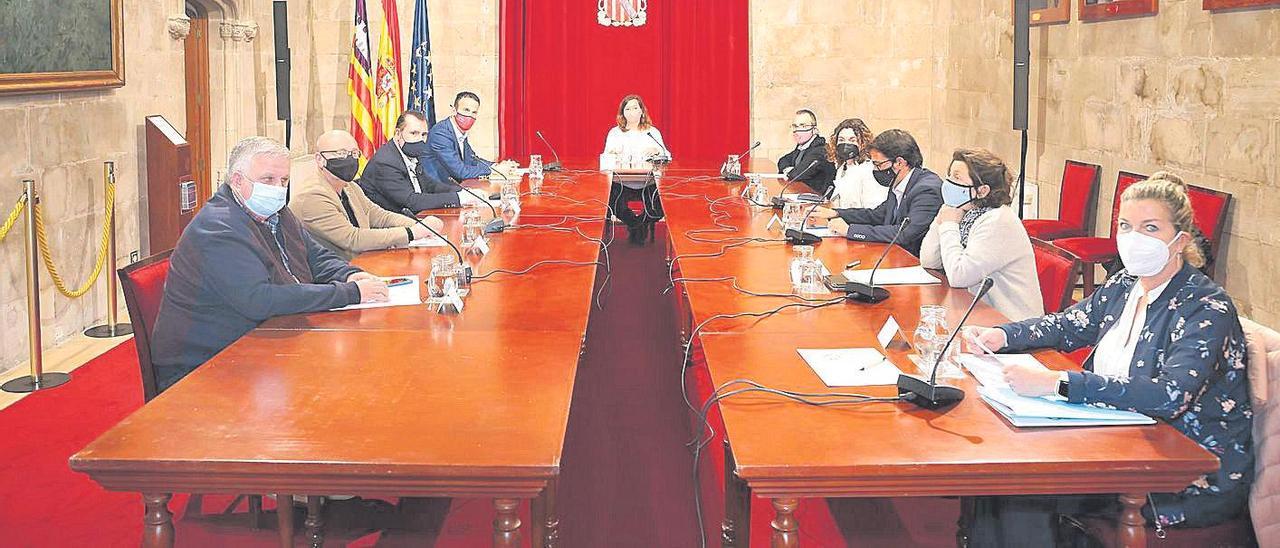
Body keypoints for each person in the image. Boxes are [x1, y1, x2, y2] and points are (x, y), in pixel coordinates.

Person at [962, 172, 1253, 545]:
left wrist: (1059, 383)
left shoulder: (1206, 306)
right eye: (1126, 226)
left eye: (1150, 228)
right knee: (1000, 474)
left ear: (1180, 240)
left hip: (1182, 467)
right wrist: (1003, 335)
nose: (1135, 239)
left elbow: (1170, 395)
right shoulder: (1125, 283)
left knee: (1024, 490)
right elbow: (1069, 324)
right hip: (1116, 435)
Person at [151, 137, 390, 391]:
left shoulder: (277, 212)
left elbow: (316, 257)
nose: (277, 189)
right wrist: (349, 294)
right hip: (207, 365)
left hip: (266, 338)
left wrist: (350, 275)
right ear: (237, 181)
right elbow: (260, 299)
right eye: (267, 180)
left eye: (284, 181)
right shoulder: (218, 228)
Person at [919, 148, 1043, 321]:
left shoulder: (998, 221)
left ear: (982, 190)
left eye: (956, 177)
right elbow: (929, 260)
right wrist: (942, 218)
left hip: (1011, 325)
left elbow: (959, 276)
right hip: (977, 313)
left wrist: (949, 225)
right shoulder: (964, 210)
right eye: (949, 176)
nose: (948, 183)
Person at [289, 130, 446, 261]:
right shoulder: (312, 196)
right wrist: (411, 233)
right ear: (319, 159)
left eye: (354, 153)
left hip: (362, 262)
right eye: (341, 153)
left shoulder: (348, 186)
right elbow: (353, 239)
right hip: (333, 277)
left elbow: (377, 215)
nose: (349, 159)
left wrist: (419, 225)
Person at [813, 129, 942, 256]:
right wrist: (836, 213)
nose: (875, 170)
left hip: (913, 263)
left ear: (899, 162)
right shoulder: (900, 182)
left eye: (878, 165)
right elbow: (876, 215)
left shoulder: (926, 190)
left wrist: (850, 230)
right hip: (892, 255)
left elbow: (904, 234)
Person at [359, 111, 486, 214]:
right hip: (388, 228)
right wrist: (458, 199)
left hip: (414, 219)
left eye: (424, 134)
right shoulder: (385, 162)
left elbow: (430, 186)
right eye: (414, 133)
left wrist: (464, 192)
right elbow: (411, 201)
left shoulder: (412, 154)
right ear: (398, 134)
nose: (420, 139)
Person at [603, 94, 669, 244]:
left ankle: (640, 225)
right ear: (623, 113)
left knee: (661, 205)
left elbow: (667, 156)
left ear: (641, 111)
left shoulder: (652, 132)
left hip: (648, 183)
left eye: (635, 108)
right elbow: (605, 158)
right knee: (610, 202)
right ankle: (635, 224)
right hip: (622, 183)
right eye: (628, 108)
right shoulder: (615, 133)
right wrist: (613, 153)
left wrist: (658, 152)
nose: (632, 111)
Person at [419, 91, 518, 185]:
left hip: (455, 186)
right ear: (454, 110)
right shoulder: (441, 133)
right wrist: (496, 170)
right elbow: (460, 172)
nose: (470, 115)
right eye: (466, 110)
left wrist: (496, 166)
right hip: (438, 190)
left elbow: (472, 159)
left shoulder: (459, 132)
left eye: (474, 112)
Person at [826, 118, 885, 209]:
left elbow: (872, 209)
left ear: (863, 143)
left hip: (859, 221)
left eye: (852, 140)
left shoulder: (869, 169)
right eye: (841, 140)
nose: (846, 144)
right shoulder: (842, 167)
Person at [777, 109, 836, 196]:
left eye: (803, 126)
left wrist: (791, 172)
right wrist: (788, 170)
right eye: (795, 126)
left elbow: (797, 174)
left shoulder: (821, 150)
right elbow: (782, 160)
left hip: (819, 202)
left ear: (815, 130)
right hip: (801, 195)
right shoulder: (801, 147)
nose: (797, 131)